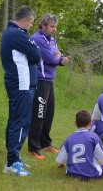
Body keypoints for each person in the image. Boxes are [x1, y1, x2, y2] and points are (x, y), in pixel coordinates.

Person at [0, 5, 41, 176]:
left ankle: (14, 157)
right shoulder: (16, 34)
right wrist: (33, 53)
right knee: (20, 122)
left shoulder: (15, 33)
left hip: (23, 85)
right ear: (24, 21)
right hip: (21, 85)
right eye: (31, 23)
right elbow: (36, 54)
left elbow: (33, 54)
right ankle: (11, 163)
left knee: (15, 121)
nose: (31, 26)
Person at [28, 14, 70, 160]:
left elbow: (59, 56)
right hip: (40, 80)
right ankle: (33, 147)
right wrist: (58, 58)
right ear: (43, 26)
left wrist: (60, 57)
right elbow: (52, 59)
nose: (54, 29)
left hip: (50, 80)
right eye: (52, 26)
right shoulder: (37, 39)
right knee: (39, 114)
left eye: (55, 26)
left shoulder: (51, 39)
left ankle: (45, 143)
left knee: (48, 113)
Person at [56, 110, 103, 180]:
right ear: (90, 124)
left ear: (75, 123)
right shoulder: (94, 137)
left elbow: (60, 160)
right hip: (91, 174)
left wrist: (61, 164)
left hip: (71, 173)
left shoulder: (69, 138)